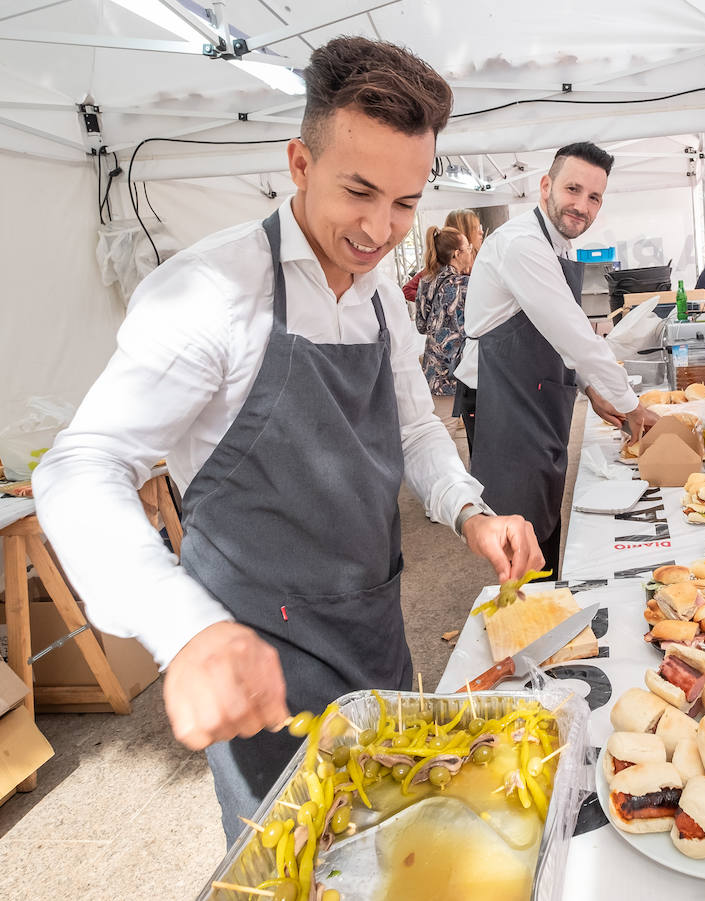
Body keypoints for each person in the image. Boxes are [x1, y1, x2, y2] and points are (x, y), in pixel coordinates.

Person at [32, 37, 542, 843]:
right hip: (258, 659)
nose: (380, 229)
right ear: (300, 163)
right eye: (360, 191)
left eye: (406, 203)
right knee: (300, 860)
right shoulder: (210, 291)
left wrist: (471, 511)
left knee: (396, 838)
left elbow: (415, 425)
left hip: (376, 629)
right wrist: (184, 627)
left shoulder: (379, 296)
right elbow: (81, 463)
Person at [454, 142, 659, 577]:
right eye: (573, 189)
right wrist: (629, 404)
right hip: (499, 399)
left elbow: (558, 334)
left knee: (543, 516)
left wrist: (590, 388)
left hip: (534, 392)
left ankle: (546, 612)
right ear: (545, 186)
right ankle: (524, 628)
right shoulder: (522, 244)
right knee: (520, 532)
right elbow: (578, 338)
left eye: (594, 197)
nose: (582, 206)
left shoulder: (559, 244)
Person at [413, 225, 474, 395]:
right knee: (452, 422)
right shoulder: (463, 285)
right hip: (456, 376)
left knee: (441, 421)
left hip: (432, 372)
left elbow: (421, 326)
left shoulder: (426, 281)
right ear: (457, 253)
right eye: (468, 247)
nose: (471, 252)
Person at [401, 208, 480, 302]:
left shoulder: (479, 259)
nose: (481, 232)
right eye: (476, 228)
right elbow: (407, 290)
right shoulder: (439, 268)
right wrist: (435, 299)